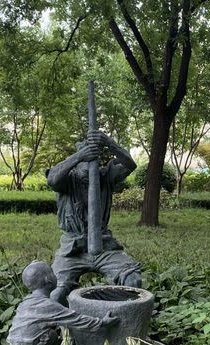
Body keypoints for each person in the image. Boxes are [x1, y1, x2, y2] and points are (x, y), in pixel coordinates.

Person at [46, 129, 141, 303]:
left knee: (132, 280)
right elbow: (52, 179)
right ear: (78, 163)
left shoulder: (105, 177)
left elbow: (130, 165)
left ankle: (121, 324)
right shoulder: (67, 180)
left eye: (95, 163)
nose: (91, 169)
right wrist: (80, 155)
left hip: (104, 247)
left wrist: (108, 142)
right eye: (86, 163)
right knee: (55, 294)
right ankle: (61, 327)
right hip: (73, 250)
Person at [5, 260, 119, 345]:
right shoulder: (48, 306)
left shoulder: (25, 303)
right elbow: (77, 319)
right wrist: (102, 323)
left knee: (52, 335)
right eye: (53, 272)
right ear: (49, 279)